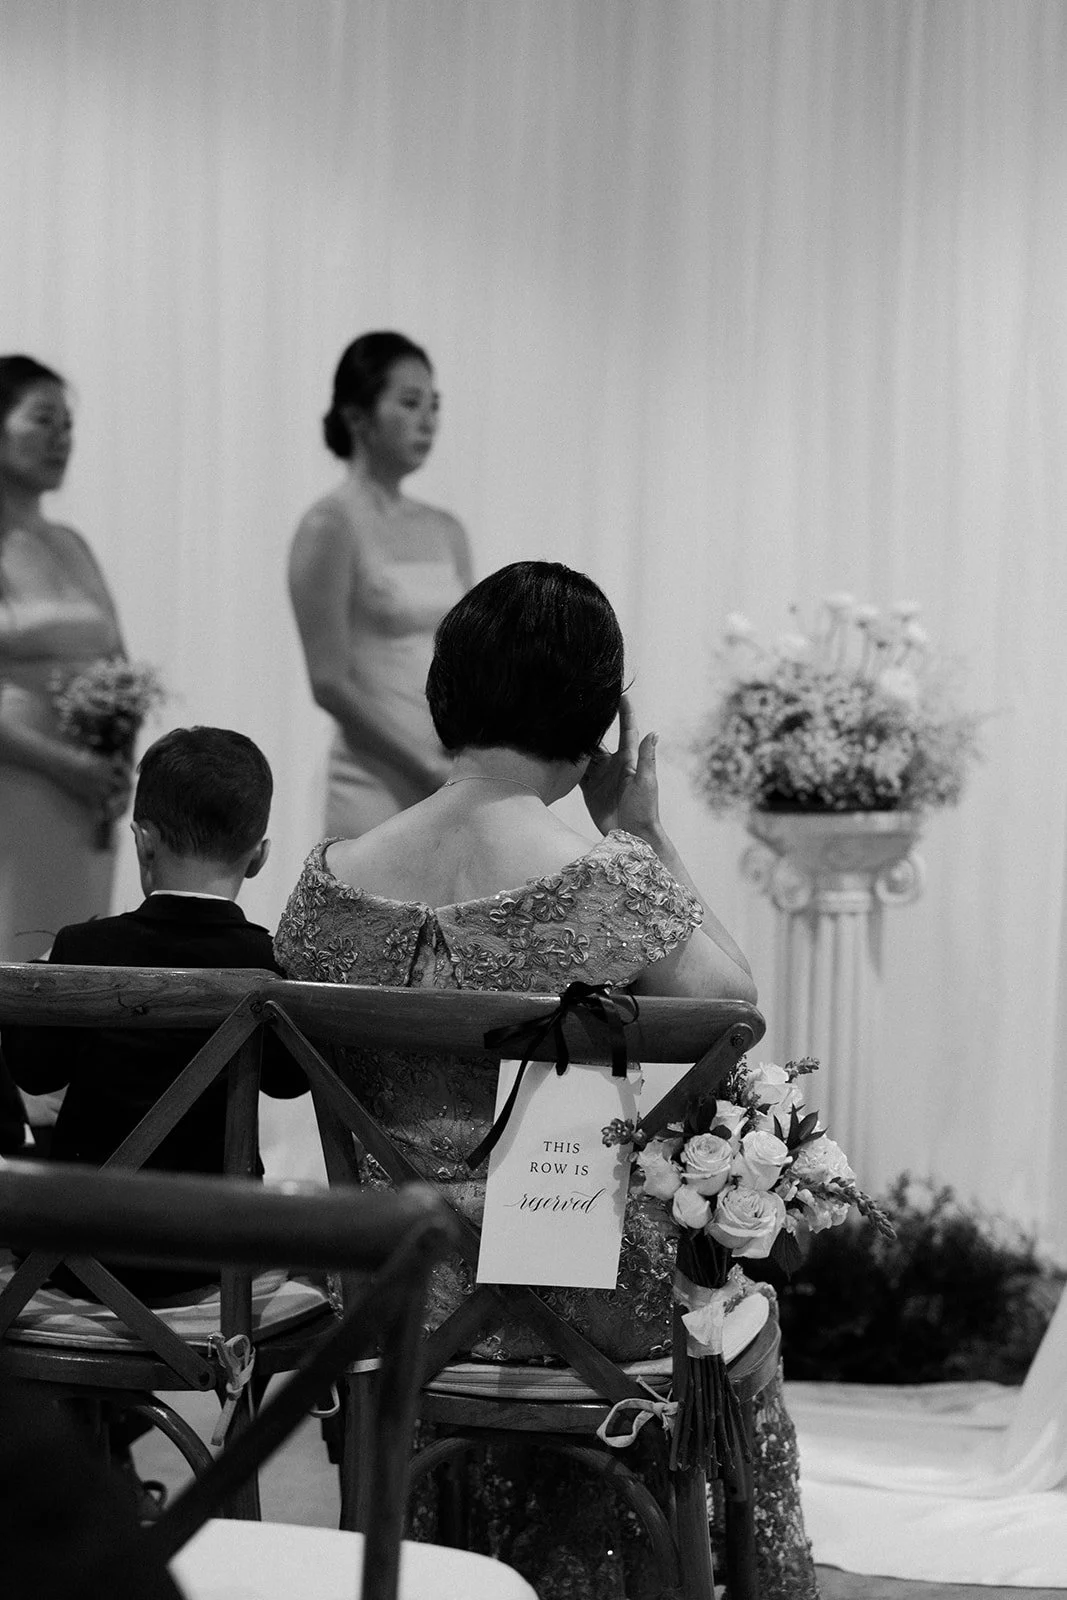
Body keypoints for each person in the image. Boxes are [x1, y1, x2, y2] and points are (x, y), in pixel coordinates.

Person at [275, 561, 818, 1600]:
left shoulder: (325, 882)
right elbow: (731, 1006)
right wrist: (643, 833)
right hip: (580, 1305)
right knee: (725, 1290)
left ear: (444, 692)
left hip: (392, 1298)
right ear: (598, 715)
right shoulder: (596, 876)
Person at [3, 725, 307, 1302]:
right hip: (218, 1253)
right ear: (260, 857)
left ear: (143, 841)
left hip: (75, 1253)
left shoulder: (84, 950)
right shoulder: (268, 966)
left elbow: (33, 1074)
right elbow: (291, 1082)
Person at [0, 355, 129, 1150]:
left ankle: (57, 1153)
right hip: (15, 787)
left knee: (67, 956)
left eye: (68, 422)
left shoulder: (72, 543)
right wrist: (63, 765)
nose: (60, 437)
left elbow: (121, 662)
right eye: (41, 418)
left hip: (84, 800)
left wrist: (118, 764)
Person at [289, 330, 473, 840]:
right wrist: (424, 767)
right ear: (357, 416)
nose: (428, 419)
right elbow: (329, 682)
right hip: (374, 781)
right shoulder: (330, 525)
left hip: (451, 775)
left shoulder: (446, 529)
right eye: (410, 403)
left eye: (434, 405)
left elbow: (474, 653)